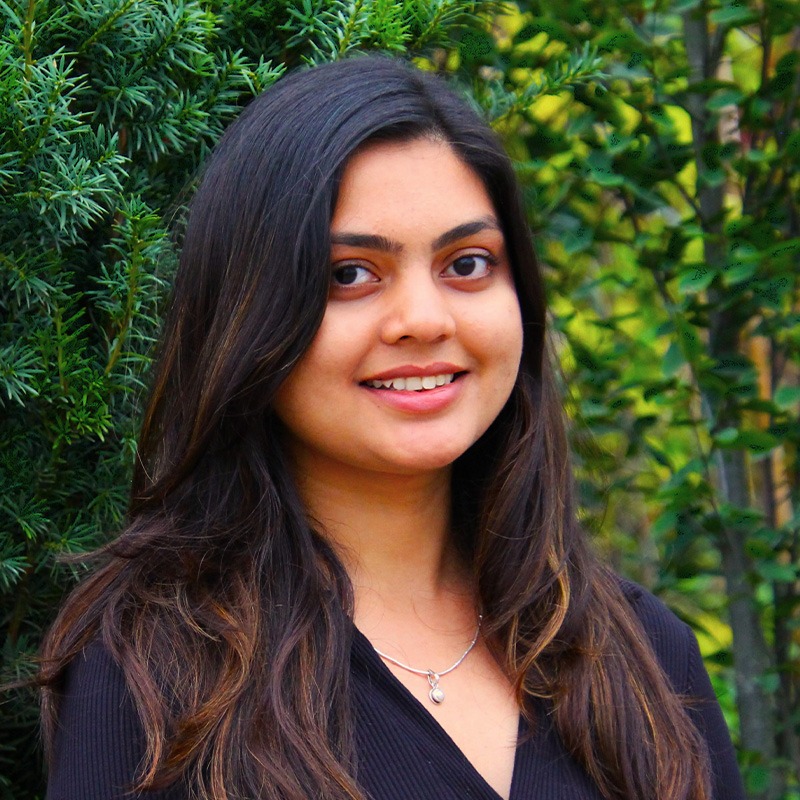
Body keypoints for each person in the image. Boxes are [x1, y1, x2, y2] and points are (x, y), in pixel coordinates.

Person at [39, 55, 745, 800]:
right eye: (350, 274)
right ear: (250, 315)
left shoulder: (646, 658)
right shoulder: (156, 676)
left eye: (467, 264)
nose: (424, 320)